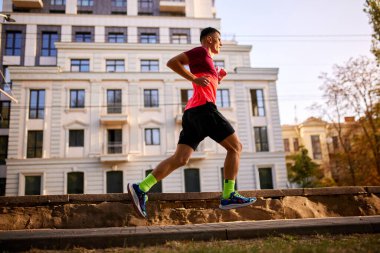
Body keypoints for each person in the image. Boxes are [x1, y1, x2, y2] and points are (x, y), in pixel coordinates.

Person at [128, 27, 256, 218]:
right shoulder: (201, 51)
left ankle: (141, 187)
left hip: (192, 113)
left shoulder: (208, 61)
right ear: (211, 39)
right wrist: (195, 79)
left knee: (181, 159)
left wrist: (217, 77)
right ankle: (229, 195)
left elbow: (207, 83)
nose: (221, 44)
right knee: (236, 147)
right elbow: (173, 62)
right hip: (204, 110)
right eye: (219, 40)